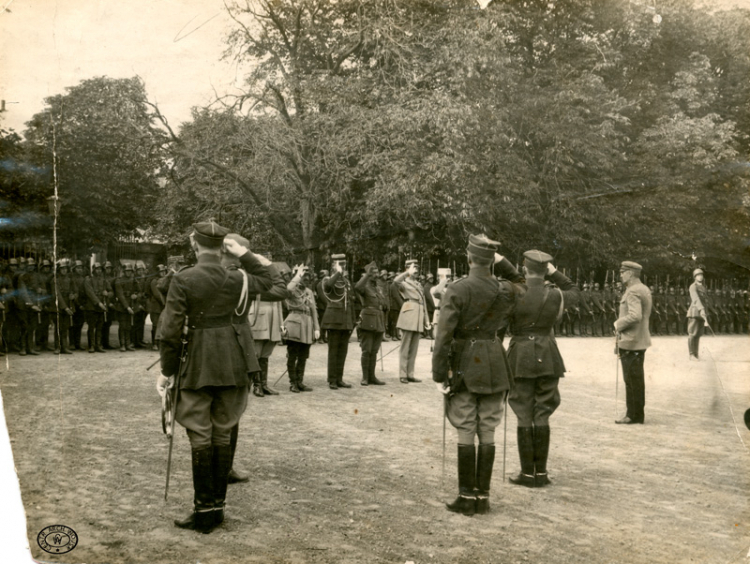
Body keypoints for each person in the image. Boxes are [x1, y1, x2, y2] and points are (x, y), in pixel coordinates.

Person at [155, 220, 272, 534]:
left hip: (197, 363)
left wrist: (167, 372)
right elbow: (273, 279)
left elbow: (169, 332)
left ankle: (204, 511)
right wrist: (245, 253)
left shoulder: (183, 279)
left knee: (200, 434)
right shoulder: (239, 277)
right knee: (222, 433)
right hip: (234, 363)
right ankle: (216, 510)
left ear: (194, 245)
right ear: (223, 247)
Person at [432, 234, 516, 516]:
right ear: (492, 260)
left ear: (469, 259)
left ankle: (466, 496)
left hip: (466, 361)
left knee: (466, 422)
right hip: (494, 359)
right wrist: (504, 265)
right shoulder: (505, 289)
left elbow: (443, 335)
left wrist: (439, 374)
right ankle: (484, 498)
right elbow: (523, 284)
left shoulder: (457, 289)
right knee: (488, 425)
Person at [498, 250, 579, 488]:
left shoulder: (514, 292)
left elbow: (500, 326)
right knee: (542, 411)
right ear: (546, 271)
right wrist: (554, 272)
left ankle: (527, 473)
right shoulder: (555, 294)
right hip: (548, 354)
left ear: (524, 269)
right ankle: (541, 473)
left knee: (523, 411)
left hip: (521, 355)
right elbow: (574, 290)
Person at [614, 261, 652, 425]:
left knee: (631, 380)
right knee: (636, 379)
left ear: (630, 273)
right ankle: (636, 414)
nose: (621, 275)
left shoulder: (633, 291)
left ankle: (632, 415)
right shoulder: (643, 288)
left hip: (631, 341)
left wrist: (618, 324)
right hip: (638, 340)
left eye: (623, 272)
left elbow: (635, 316)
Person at [248, 259, 289, 397]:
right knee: (256, 354)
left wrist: (281, 324)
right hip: (258, 321)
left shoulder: (275, 287)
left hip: (272, 323)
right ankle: (257, 385)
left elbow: (279, 306)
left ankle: (264, 385)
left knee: (265, 355)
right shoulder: (255, 284)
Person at [320, 254, 356, 390]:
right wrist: (338, 273)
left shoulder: (346, 282)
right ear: (334, 266)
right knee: (333, 351)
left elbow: (350, 302)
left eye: (344, 265)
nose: (343, 267)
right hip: (334, 320)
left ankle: (339, 378)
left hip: (345, 320)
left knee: (342, 352)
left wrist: (352, 321)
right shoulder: (327, 279)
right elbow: (328, 287)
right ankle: (332, 379)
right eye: (340, 265)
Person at [284, 264, 320, 393]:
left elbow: (313, 310)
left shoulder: (309, 292)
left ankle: (300, 381)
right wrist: (297, 276)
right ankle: (292, 382)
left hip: (307, 325)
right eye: (304, 277)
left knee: (303, 355)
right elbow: (287, 289)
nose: (307, 279)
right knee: (293, 355)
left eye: (308, 277)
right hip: (294, 323)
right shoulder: (292, 290)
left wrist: (316, 328)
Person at [394, 260, 430, 384]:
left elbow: (423, 302)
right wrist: (406, 273)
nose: (416, 271)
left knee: (414, 348)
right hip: (409, 314)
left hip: (418, 316)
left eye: (417, 268)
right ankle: (402, 374)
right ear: (408, 269)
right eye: (413, 268)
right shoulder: (404, 282)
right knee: (405, 347)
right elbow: (395, 281)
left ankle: (410, 374)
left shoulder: (418, 284)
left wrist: (427, 320)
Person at [354, 261, 387, 386]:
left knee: (374, 350)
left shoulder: (377, 287)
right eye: (373, 272)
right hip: (368, 321)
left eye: (377, 272)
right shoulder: (364, 285)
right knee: (366, 350)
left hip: (378, 320)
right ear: (368, 274)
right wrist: (366, 276)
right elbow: (357, 288)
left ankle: (372, 376)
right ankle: (365, 377)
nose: (376, 275)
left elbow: (382, 303)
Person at [82, 262, 110, 353]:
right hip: (92, 306)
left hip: (101, 307)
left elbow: (111, 291)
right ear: (93, 270)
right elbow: (90, 293)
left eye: (100, 269)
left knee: (100, 327)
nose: (99, 271)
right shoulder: (88, 279)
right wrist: (98, 303)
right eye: (97, 269)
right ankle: (91, 346)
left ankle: (98, 345)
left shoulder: (104, 280)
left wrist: (108, 293)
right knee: (91, 327)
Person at [114, 263, 138, 352]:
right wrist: (127, 307)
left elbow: (139, 291)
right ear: (124, 271)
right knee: (122, 326)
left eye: (130, 271)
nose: (129, 273)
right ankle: (122, 344)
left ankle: (128, 344)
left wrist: (135, 295)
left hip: (131, 305)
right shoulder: (118, 280)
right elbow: (120, 296)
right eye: (127, 271)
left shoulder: (133, 280)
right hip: (122, 306)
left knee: (128, 326)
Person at [687, 268, 710, 360]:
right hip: (695, 312)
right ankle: (691, 354)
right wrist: (702, 309)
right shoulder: (693, 286)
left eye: (701, 275)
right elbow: (695, 299)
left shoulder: (703, 287)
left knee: (698, 334)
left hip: (702, 312)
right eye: (698, 275)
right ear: (695, 277)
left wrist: (705, 312)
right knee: (692, 334)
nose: (700, 277)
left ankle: (696, 354)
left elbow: (705, 301)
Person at [147, 265, 168, 351]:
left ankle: (160, 343)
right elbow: (157, 294)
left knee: (163, 324)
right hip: (156, 306)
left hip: (164, 306)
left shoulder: (165, 280)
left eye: (164, 271)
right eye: (161, 271)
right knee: (155, 324)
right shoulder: (154, 281)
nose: (163, 273)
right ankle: (154, 343)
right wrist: (165, 303)